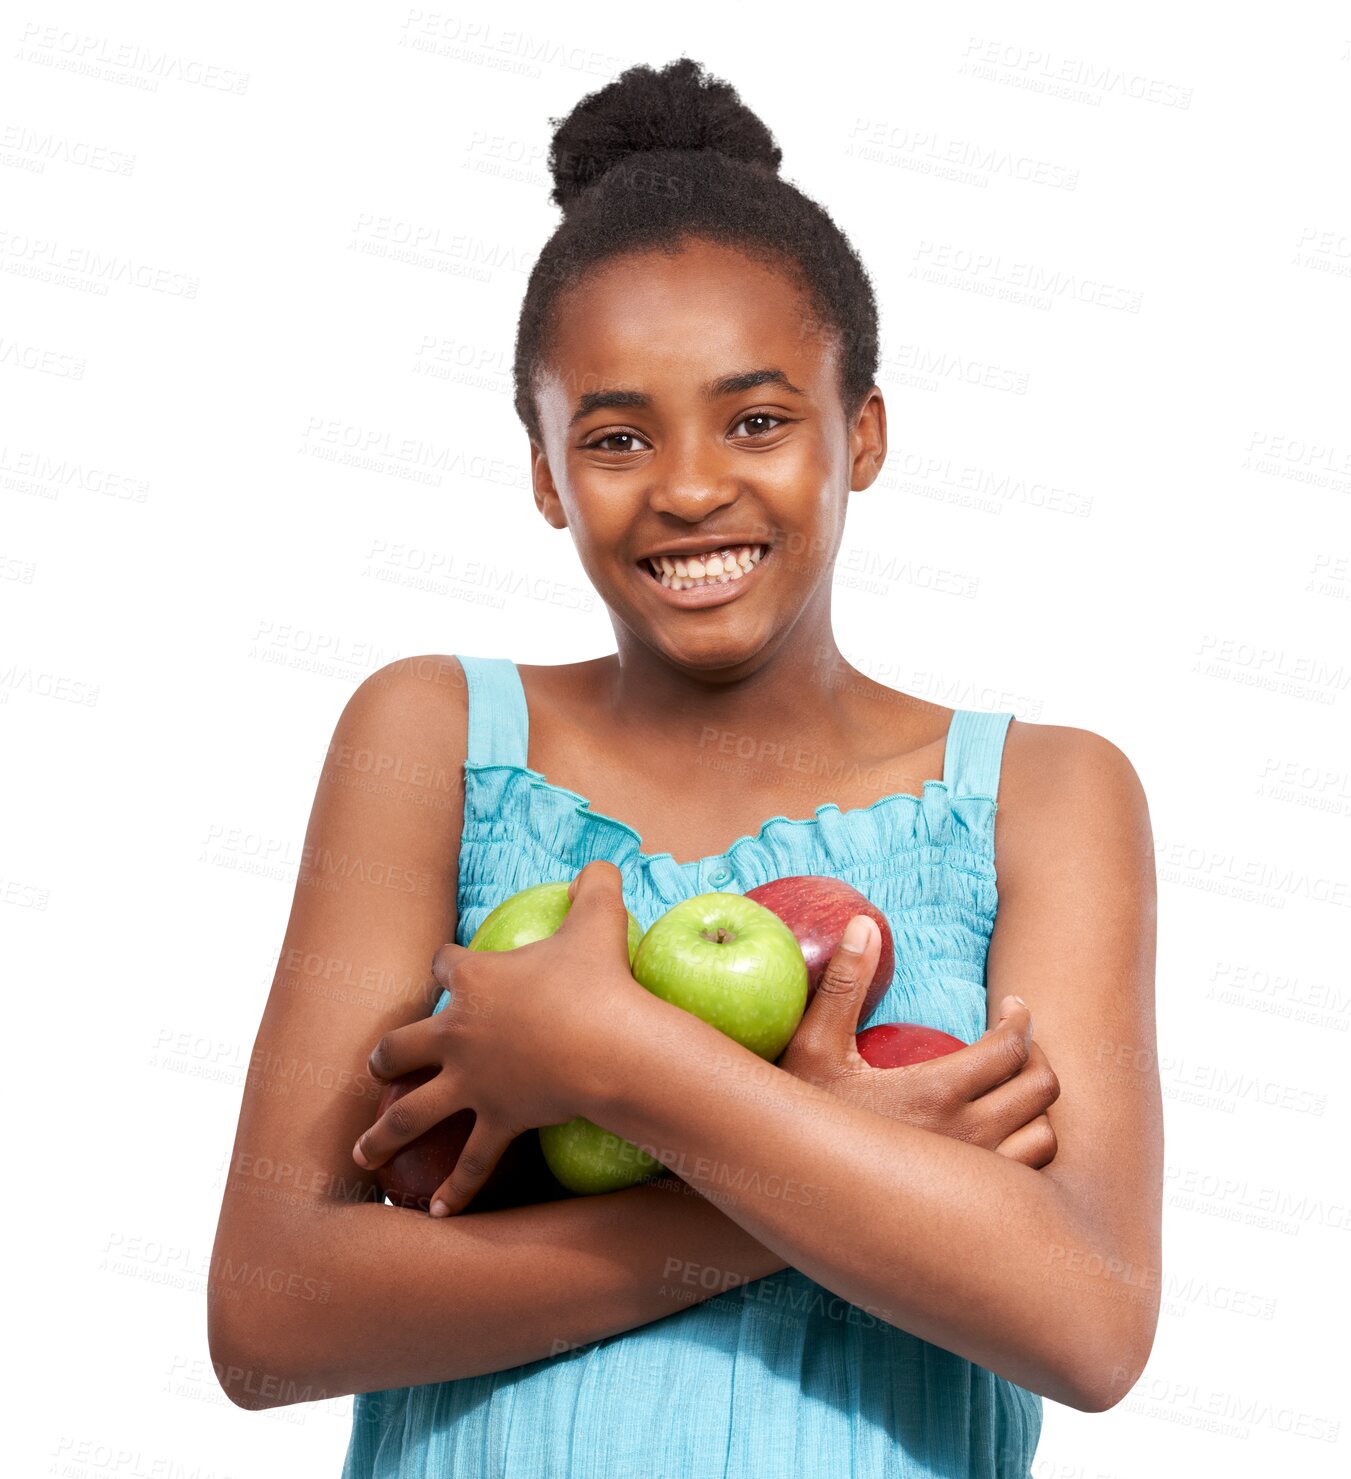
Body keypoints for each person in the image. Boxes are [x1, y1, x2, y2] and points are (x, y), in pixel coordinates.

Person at [208, 56, 1162, 1478]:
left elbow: (1087, 1321)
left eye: (759, 418)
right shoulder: (431, 737)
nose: (691, 485)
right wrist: (842, 1158)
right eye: (614, 436)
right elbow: (269, 1313)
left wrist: (622, 1064)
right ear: (543, 472)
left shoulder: (1049, 794)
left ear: (866, 434)